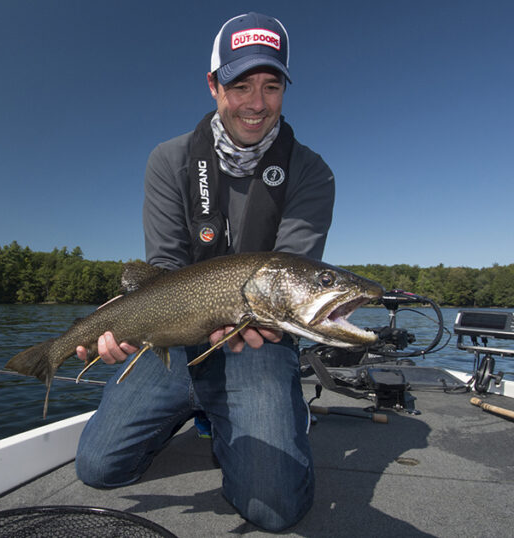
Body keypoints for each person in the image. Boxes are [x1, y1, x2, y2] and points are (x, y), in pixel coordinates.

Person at [73, 12, 335, 532]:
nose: (256, 103)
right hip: (173, 337)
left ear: (284, 88)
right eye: (240, 85)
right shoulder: (168, 160)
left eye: (271, 85)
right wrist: (121, 330)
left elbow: (293, 284)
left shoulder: (312, 172)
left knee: (272, 510)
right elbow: (164, 270)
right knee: (98, 469)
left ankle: (269, 413)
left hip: (257, 341)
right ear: (214, 85)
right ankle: (202, 409)